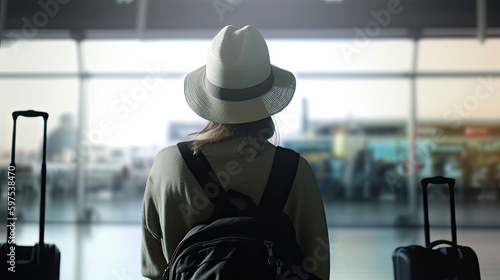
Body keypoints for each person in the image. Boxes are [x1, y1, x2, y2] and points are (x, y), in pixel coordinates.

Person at [141, 25, 330, 280]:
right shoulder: (295, 170)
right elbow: (317, 268)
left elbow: (153, 269)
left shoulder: (169, 165)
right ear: (266, 96)